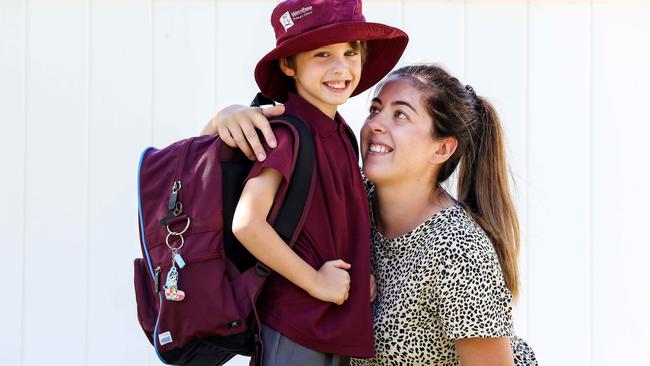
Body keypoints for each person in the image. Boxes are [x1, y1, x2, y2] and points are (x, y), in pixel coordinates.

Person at [204, 65, 537, 365]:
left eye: (400, 115)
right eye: (375, 110)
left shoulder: (459, 251)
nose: (376, 124)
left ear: (442, 148)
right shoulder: (351, 196)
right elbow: (207, 186)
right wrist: (225, 119)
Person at [217, 0, 408, 365]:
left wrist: (359, 269)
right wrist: (314, 281)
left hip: (330, 323)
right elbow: (247, 223)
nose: (341, 68)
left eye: (351, 52)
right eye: (322, 54)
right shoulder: (286, 134)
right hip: (296, 323)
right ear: (289, 65)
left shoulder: (341, 134)